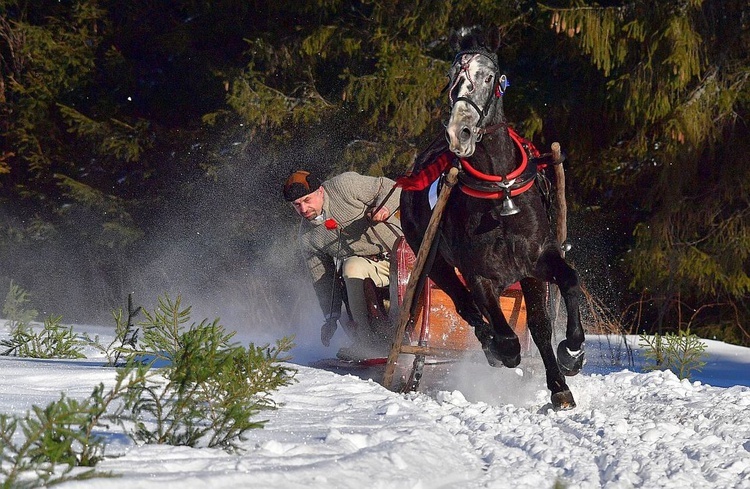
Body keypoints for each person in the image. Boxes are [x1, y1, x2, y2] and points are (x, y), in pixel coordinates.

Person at [283, 169, 402, 358]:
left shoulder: (345, 185)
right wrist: (330, 318)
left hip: (401, 255)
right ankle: (366, 342)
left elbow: (390, 187)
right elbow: (323, 280)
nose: (304, 210)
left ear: (320, 191)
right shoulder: (307, 238)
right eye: (297, 205)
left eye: (307, 200)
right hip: (368, 266)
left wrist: (384, 208)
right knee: (350, 267)